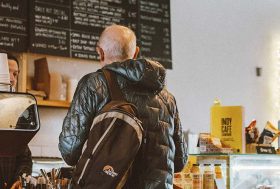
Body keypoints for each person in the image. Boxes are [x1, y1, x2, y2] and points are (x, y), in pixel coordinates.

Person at [59, 24, 187, 189]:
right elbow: (180, 162)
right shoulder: (167, 98)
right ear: (135, 53)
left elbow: (70, 151)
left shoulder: (94, 85)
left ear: (100, 52)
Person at [0, 53, 33, 189]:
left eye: (15, 74)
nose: (12, 79)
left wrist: (20, 179)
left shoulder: (15, 112)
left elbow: (24, 156)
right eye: (7, 72)